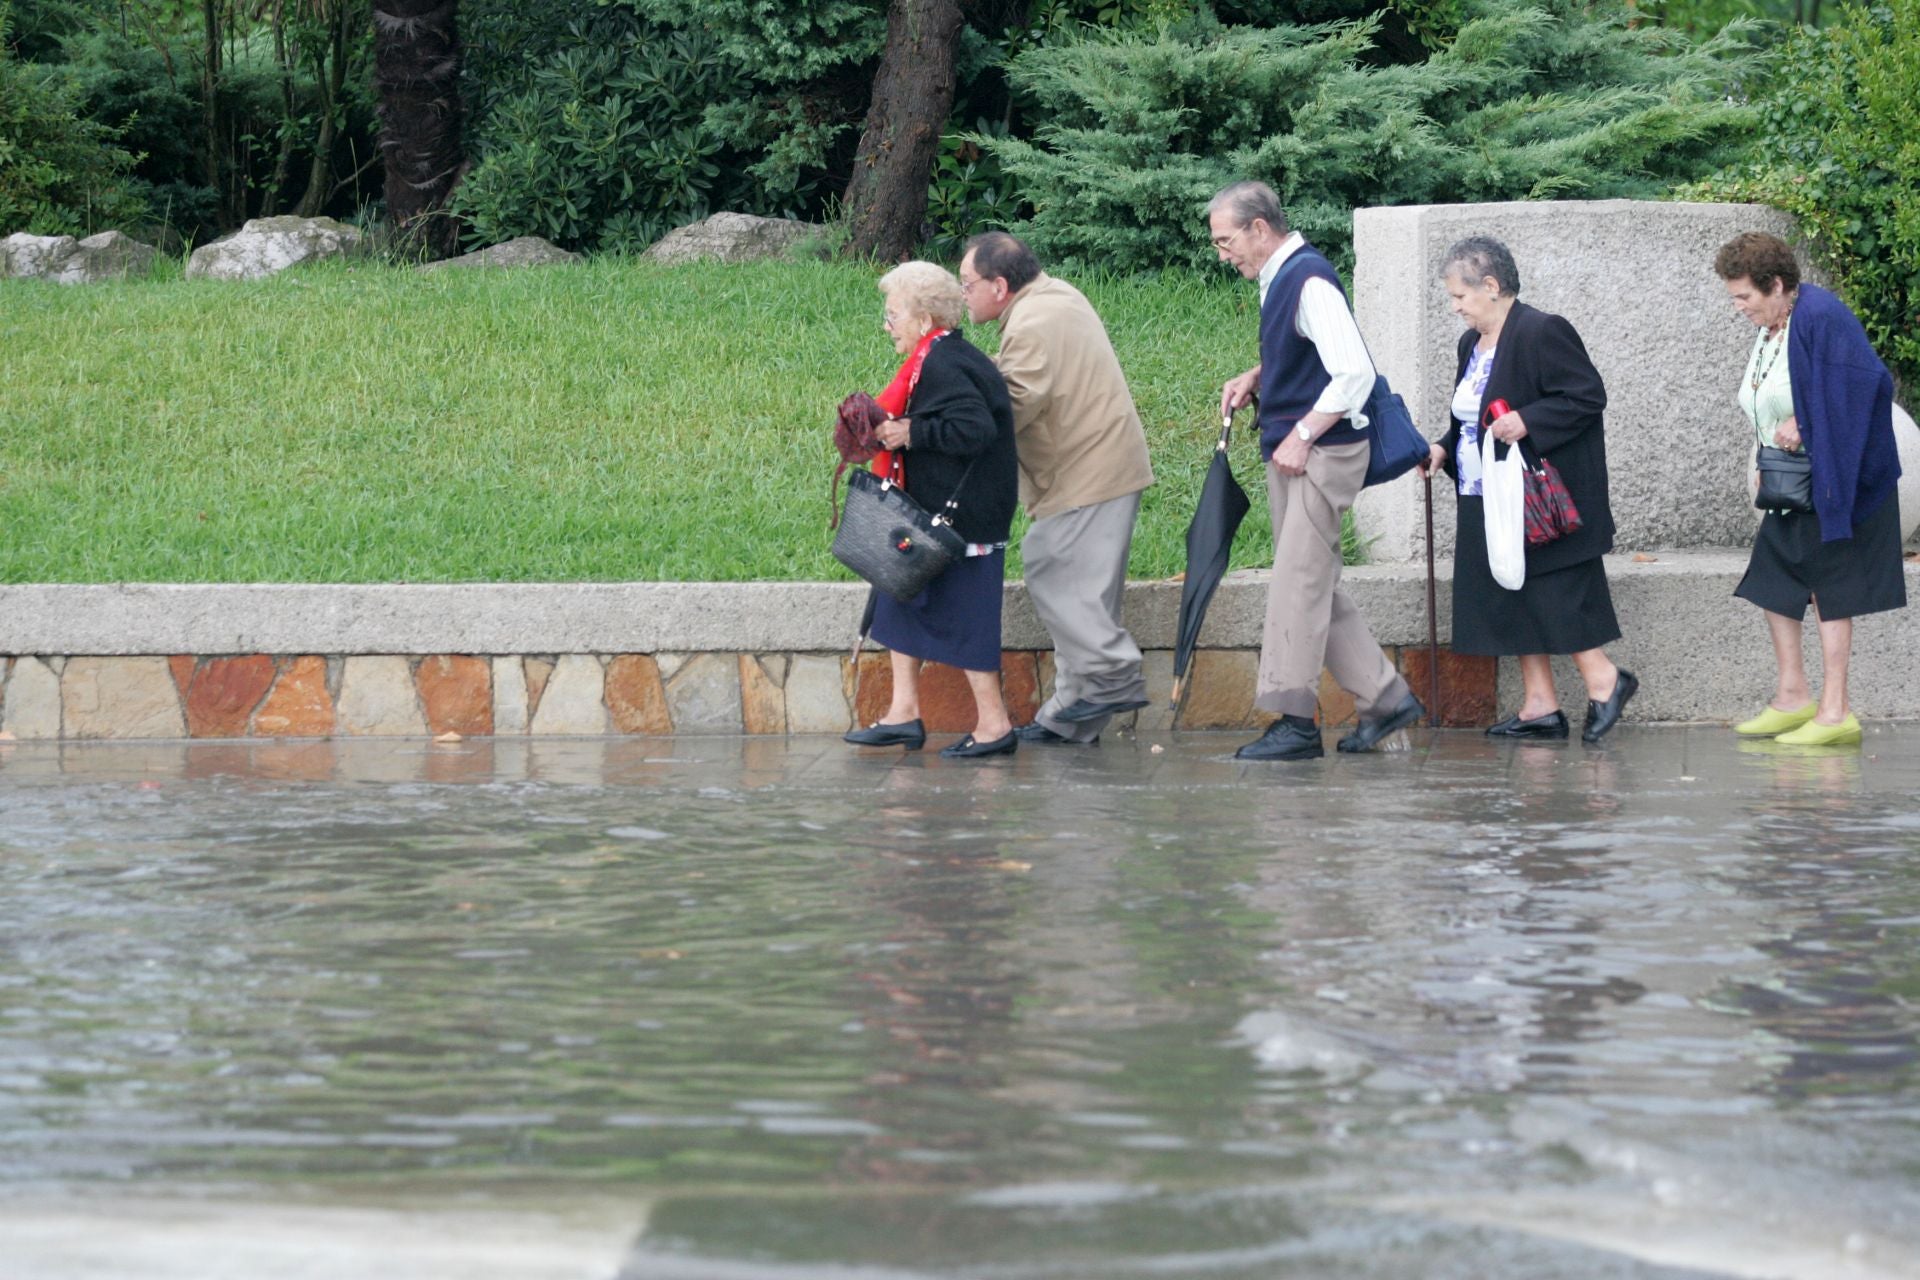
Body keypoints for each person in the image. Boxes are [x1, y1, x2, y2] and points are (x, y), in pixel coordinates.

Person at [1209, 180, 1424, 761]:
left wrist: (1303, 435)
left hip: (1321, 453)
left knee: (1297, 584)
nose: (1223, 253)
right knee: (1316, 584)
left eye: (1227, 241)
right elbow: (1312, 351)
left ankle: (1295, 723)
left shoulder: (1306, 279)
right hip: (1305, 451)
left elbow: (1352, 372)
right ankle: (1386, 699)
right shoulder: (1285, 276)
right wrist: (1259, 374)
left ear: (1260, 228)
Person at [1419, 236, 1638, 742]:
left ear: (1491, 286)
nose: (1454, 307)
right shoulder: (1470, 345)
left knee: (1552, 591)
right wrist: (1442, 449)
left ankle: (1606, 681)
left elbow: (1586, 396)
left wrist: (1528, 420)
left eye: (1459, 296)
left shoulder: (1542, 331)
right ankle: (1540, 705)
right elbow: (1468, 417)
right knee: (1508, 594)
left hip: (1534, 499)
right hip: (1485, 493)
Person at [958, 231, 1156, 746]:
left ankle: (1114, 675)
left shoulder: (1031, 323)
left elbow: (1015, 406)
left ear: (999, 286)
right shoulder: (1055, 295)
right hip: (1102, 463)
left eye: (968, 284)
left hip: (1086, 471)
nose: (964, 295)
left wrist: (951, 426)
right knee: (1088, 595)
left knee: (1048, 565)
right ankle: (1068, 719)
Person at [1714, 231, 1906, 746]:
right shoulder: (1774, 324)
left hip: (1842, 486)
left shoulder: (1820, 316)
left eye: (1743, 296)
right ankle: (1793, 696)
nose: (1737, 307)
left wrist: (1807, 422)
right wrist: (1767, 454)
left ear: (1776, 285)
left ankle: (1837, 711)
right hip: (1796, 483)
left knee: (1830, 589)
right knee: (1775, 582)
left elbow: (1867, 384)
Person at [842, 261, 1023, 759]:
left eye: (893, 314)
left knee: (965, 618)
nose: (887, 324)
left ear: (923, 319)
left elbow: (974, 430)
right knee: (901, 594)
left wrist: (910, 433)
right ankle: (903, 713)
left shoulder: (945, 363)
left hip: (962, 521)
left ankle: (994, 725)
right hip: (934, 513)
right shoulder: (935, 357)